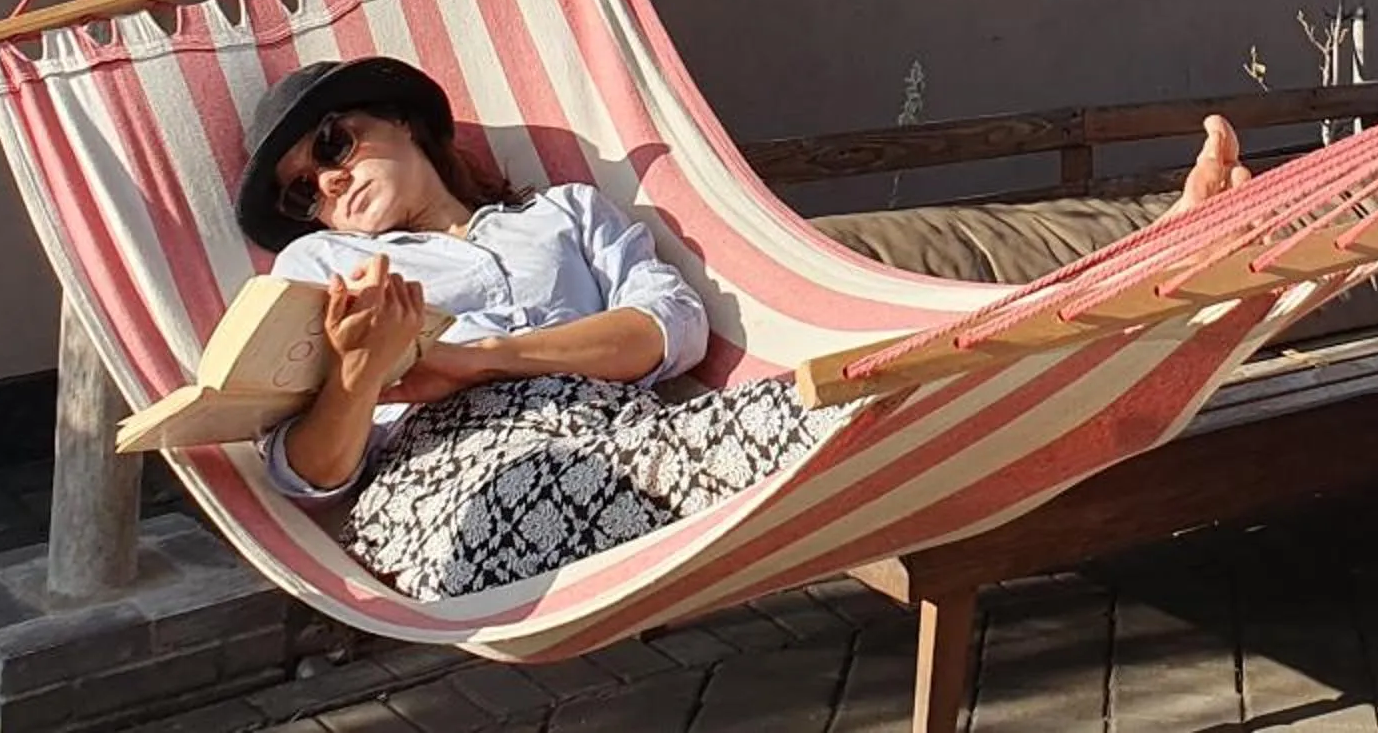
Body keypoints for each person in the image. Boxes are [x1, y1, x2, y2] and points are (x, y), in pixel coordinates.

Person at [238, 58, 1253, 600]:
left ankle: (1148, 271)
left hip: (633, 438)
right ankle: (1146, 281)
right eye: (300, 194)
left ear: (403, 121)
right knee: (557, 498)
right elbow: (306, 471)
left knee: (886, 397)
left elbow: (667, 331)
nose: (325, 183)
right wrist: (360, 378)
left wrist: (479, 355)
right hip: (455, 486)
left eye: (332, 142)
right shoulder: (319, 270)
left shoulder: (565, 214)